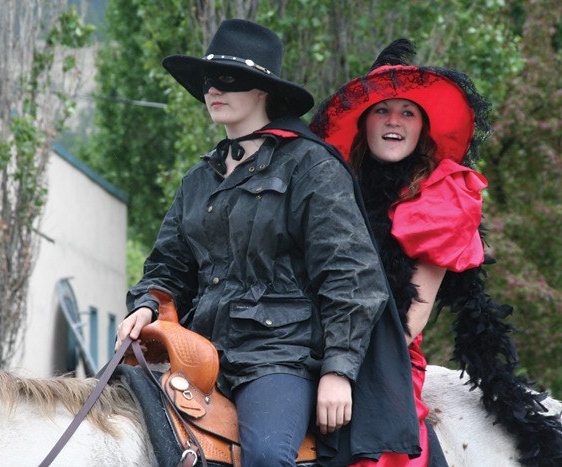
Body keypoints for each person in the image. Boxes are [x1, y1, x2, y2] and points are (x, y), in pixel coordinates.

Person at [116, 20, 420, 466]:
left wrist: (338, 369)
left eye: (230, 80)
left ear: (262, 91)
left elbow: (351, 275)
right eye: (208, 80)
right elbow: (168, 267)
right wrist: (145, 304)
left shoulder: (310, 165)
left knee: (266, 457)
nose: (213, 90)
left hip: (280, 357)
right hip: (200, 353)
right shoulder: (198, 180)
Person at [311, 38, 562, 466]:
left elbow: (408, 323)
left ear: (421, 128)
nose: (394, 120)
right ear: (365, 124)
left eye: (407, 112)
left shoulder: (439, 197)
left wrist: (340, 365)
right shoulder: (336, 192)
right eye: (382, 110)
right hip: (311, 343)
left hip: (382, 360)